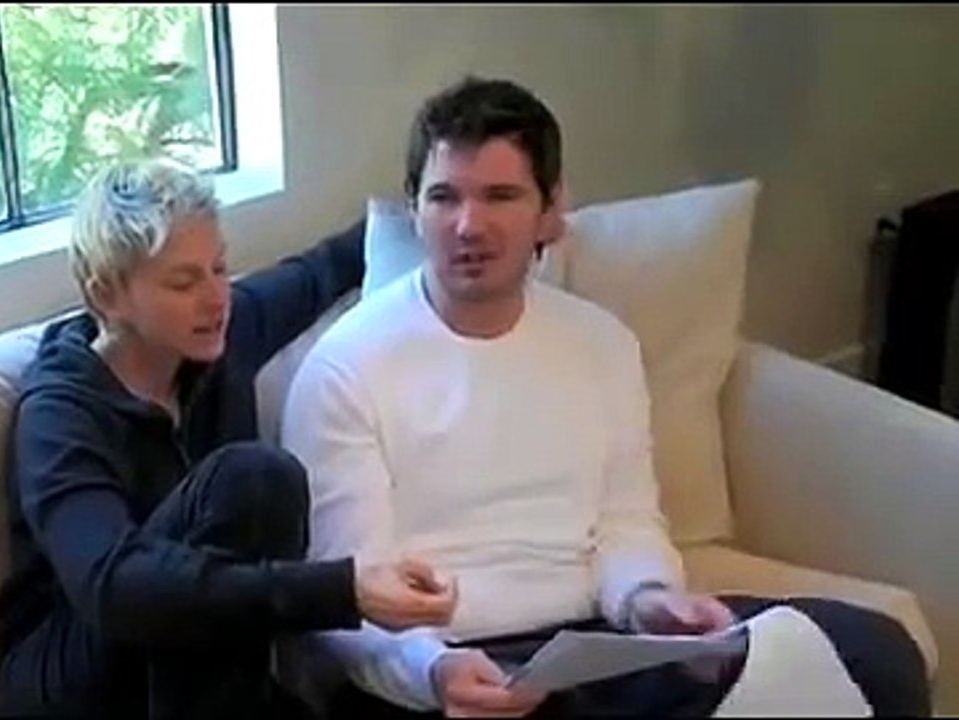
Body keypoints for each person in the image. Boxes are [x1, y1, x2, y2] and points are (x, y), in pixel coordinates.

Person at [280, 76, 932, 718]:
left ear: (550, 211)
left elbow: (627, 521)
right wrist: (433, 671)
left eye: (501, 196)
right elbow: (347, 594)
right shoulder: (347, 366)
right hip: (445, 660)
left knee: (872, 649)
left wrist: (652, 601)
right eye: (444, 198)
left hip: (593, 647)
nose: (469, 225)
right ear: (415, 208)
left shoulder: (601, 342)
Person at [0, 158, 459, 719]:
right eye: (184, 282)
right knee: (254, 478)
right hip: (72, 679)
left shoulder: (217, 334)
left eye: (219, 268)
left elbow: (322, 269)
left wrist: (447, 215)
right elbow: (113, 586)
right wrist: (345, 590)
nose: (216, 297)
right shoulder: (58, 413)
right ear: (107, 295)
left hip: (195, 678)